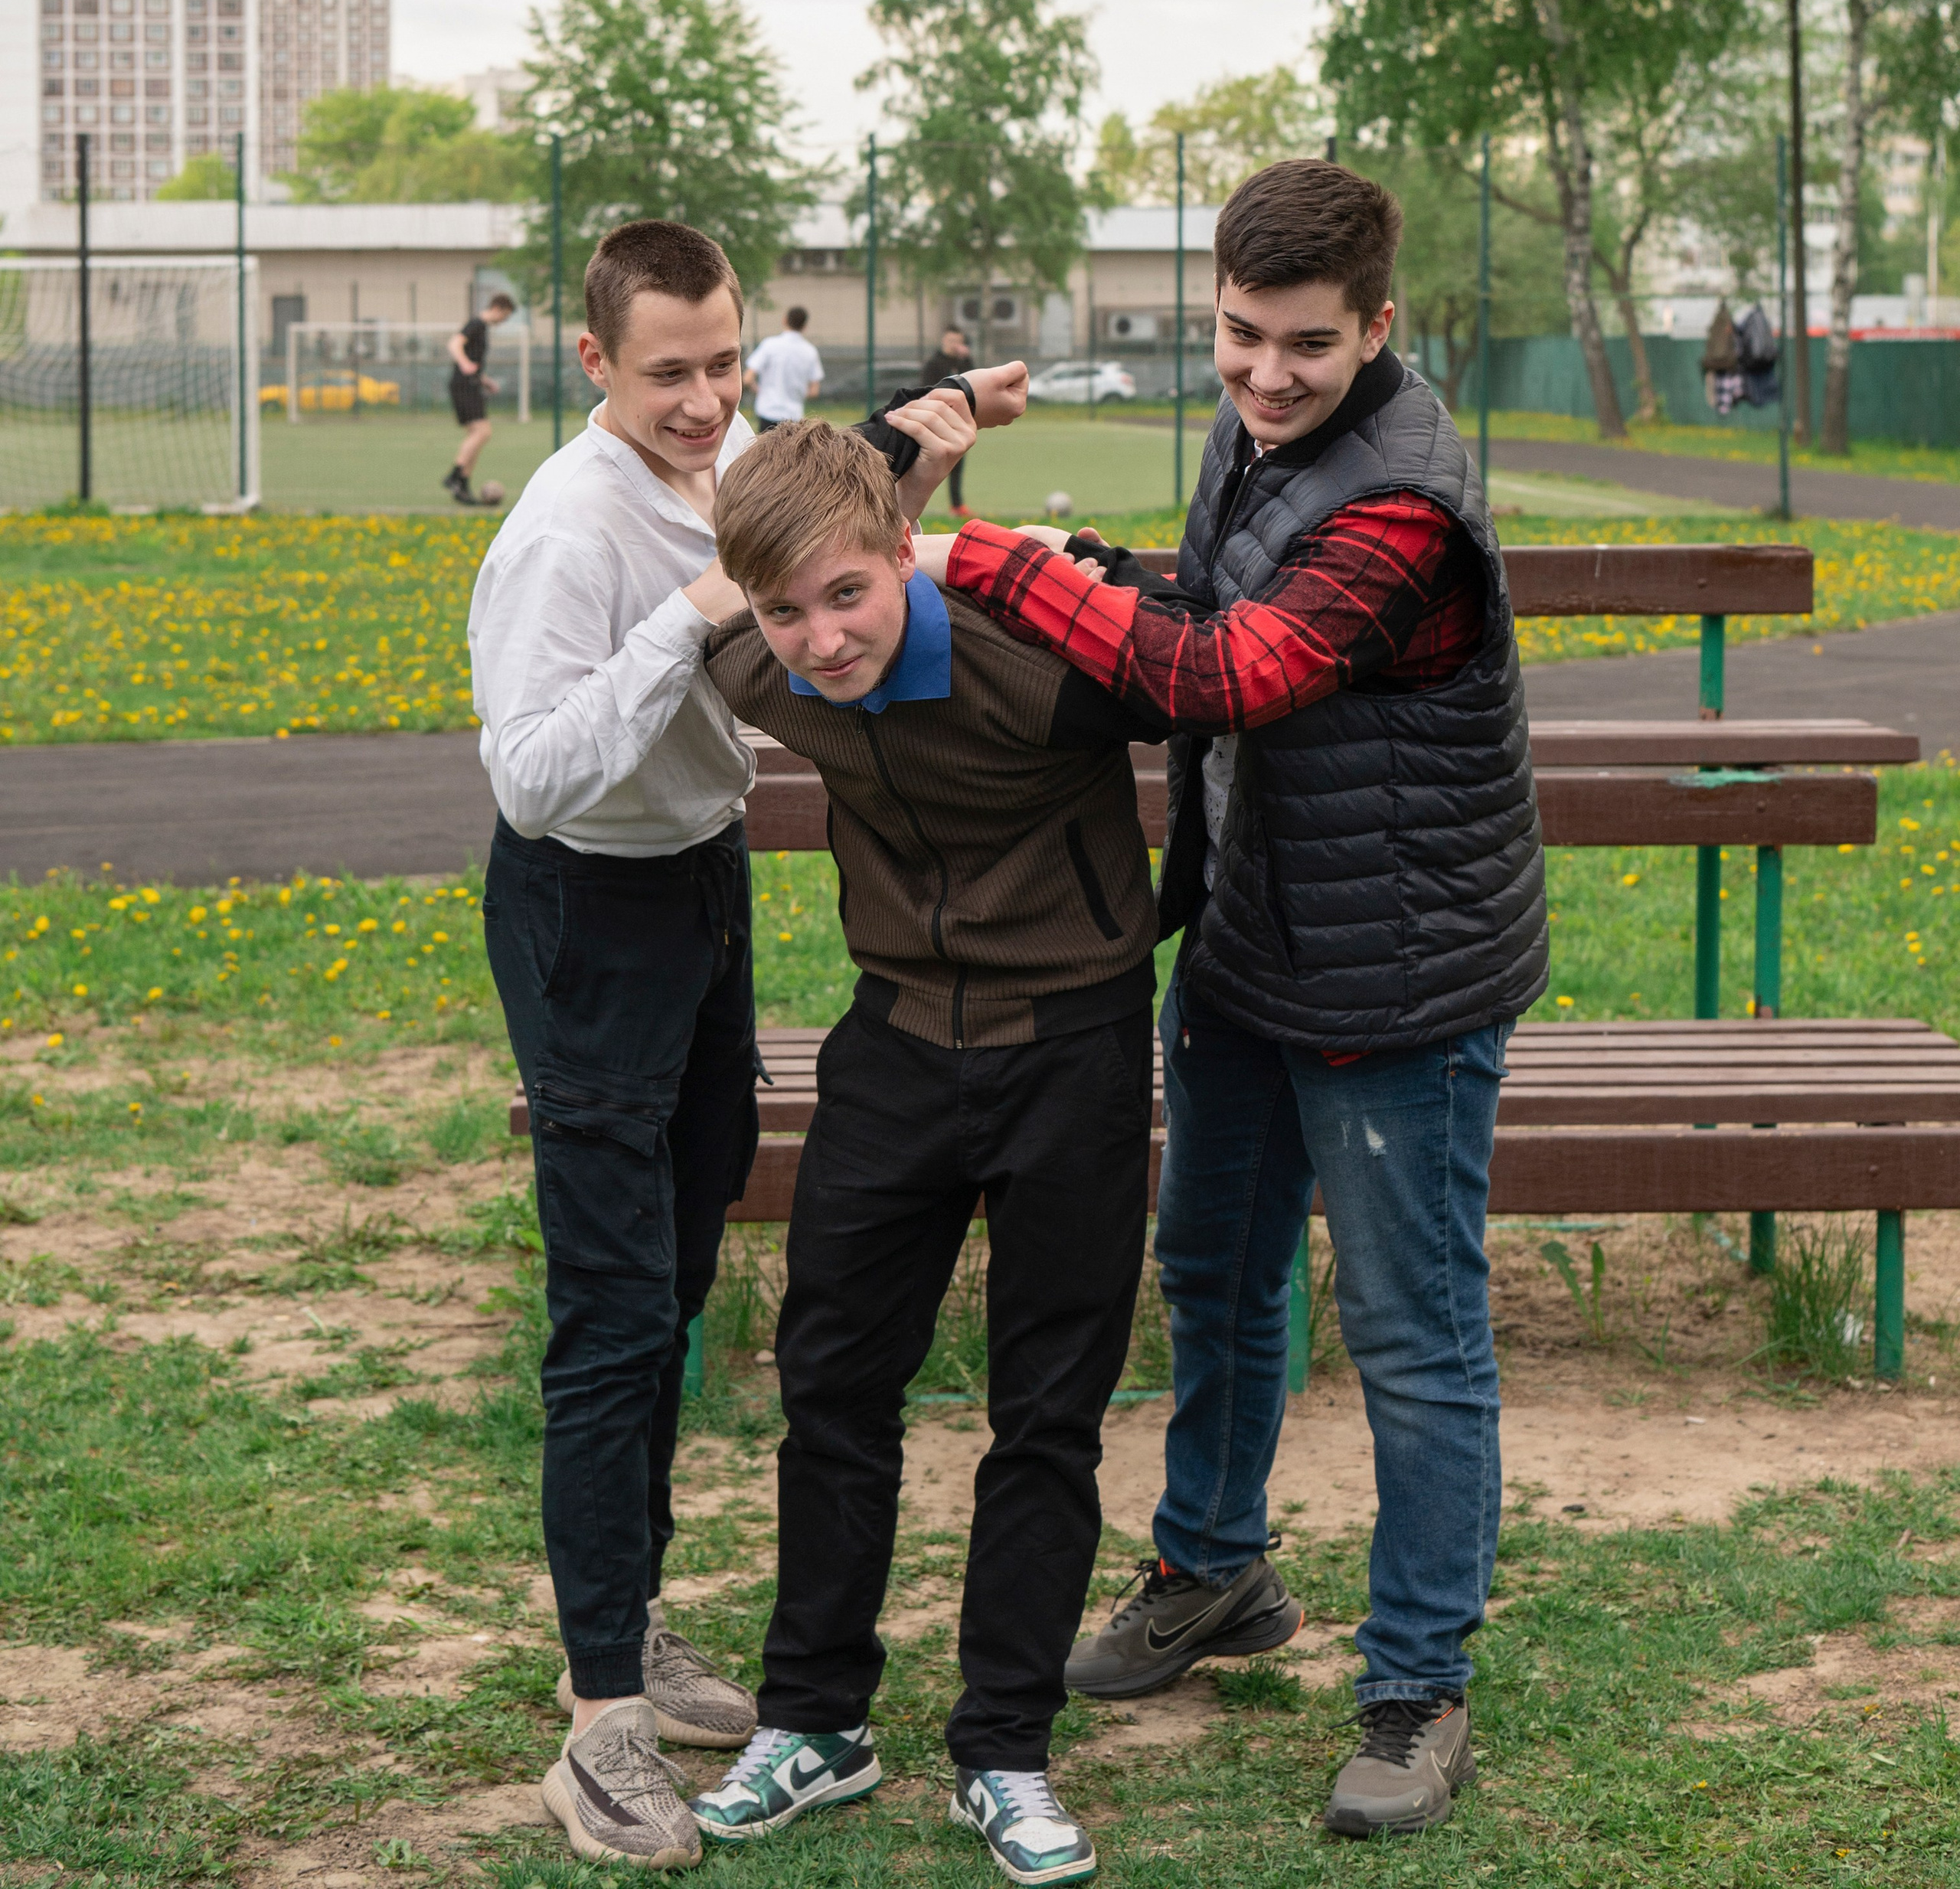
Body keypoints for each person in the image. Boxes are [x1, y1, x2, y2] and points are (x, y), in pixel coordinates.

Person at [914, 158, 1548, 1842]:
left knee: (1415, 1343)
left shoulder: (1404, 504)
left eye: (1307, 347)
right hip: (1255, 944)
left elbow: (1235, 673)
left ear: (1381, 330)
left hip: (1395, 980)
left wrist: (984, 558)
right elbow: (1217, 598)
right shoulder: (1258, 437)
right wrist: (1100, 558)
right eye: (1240, 337)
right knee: (1211, 1270)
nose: (1265, 375)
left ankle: (1417, 1687)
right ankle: (1211, 1574)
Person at [468, 221, 1008, 1869]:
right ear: (593, 366)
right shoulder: (568, 530)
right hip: (585, 915)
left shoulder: (714, 471)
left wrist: (920, 432)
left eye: (723, 365)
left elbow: (813, 535)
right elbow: (532, 776)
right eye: (670, 376)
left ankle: (621, 1632)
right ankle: (598, 1730)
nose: (709, 403)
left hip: (694, 895)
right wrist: (684, 609)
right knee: (613, 1317)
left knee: (678, 1280)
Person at [685, 420, 1171, 1885]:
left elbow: (1192, 664)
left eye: (848, 593)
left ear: (909, 554)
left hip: (1071, 1052)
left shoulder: (1047, 673)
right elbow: (739, 585)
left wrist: (1096, 568)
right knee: (832, 1383)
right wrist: (892, 435)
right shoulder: (760, 668)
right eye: (784, 609)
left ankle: (1005, 1748)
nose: (819, 639)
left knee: (1046, 1410)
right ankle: (817, 1721)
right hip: (892, 1045)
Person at [444, 291, 515, 505]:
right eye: (505, 316)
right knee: (483, 432)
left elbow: (473, 361)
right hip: (464, 384)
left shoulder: (482, 328)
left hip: (471, 384)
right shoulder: (476, 323)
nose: (503, 322)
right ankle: (455, 476)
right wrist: (465, 364)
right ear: (498, 309)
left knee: (476, 435)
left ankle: (463, 484)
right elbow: (454, 344)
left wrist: (485, 380)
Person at [921, 324, 975, 514]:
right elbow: (927, 390)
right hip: (937, 420)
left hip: (958, 421)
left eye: (958, 341)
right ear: (944, 340)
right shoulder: (934, 364)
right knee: (930, 465)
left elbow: (974, 383)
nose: (955, 345)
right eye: (952, 341)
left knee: (957, 463)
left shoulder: (963, 363)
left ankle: (957, 505)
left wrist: (967, 358)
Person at [745, 303, 825, 430]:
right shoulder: (810, 351)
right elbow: (814, 391)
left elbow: (748, 378)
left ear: (785, 320)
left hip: (768, 411)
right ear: (805, 327)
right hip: (794, 416)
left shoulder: (769, 345)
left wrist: (760, 391)